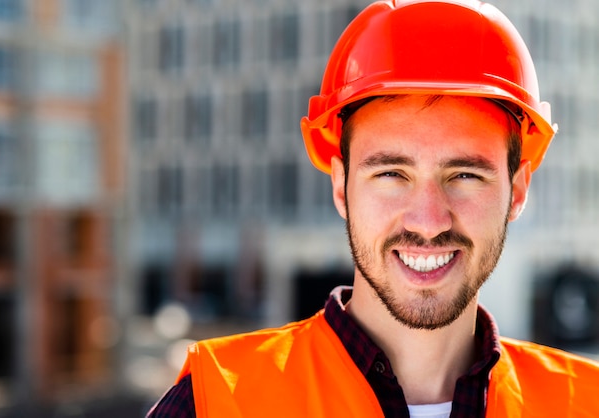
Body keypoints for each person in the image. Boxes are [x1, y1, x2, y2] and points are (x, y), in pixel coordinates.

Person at [147, 1, 599, 417]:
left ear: (517, 191)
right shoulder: (219, 402)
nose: (428, 221)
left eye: (464, 175)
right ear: (341, 187)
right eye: (391, 175)